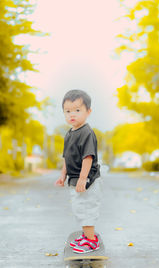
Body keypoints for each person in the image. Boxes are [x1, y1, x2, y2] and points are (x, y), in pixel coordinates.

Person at [55, 89, 102, 254]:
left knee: (87, 209)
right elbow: (66, 158)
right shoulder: (70, 133)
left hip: (87, 180)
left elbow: (87, 158)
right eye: (67, 111)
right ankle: (86, 235)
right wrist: (62, 176)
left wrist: (83, 179)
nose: (71, 114)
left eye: (77, 110)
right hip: (75, 180)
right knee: (80, 209)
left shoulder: (86, 132)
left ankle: (91, 241)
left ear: (88, 112)